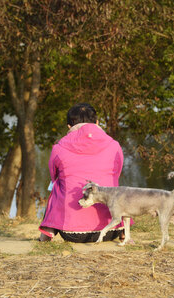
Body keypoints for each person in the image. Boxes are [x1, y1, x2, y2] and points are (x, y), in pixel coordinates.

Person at [38, 103, 128, 242]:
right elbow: (118, 173)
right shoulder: (114, 145)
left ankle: (46, 235)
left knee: (56, 185)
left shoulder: (59, 147)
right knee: (114, 184)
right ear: (97, 122)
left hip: (71, 233)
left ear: (69, 126)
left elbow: (53, 176)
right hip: (111, 230)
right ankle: (123, 232)